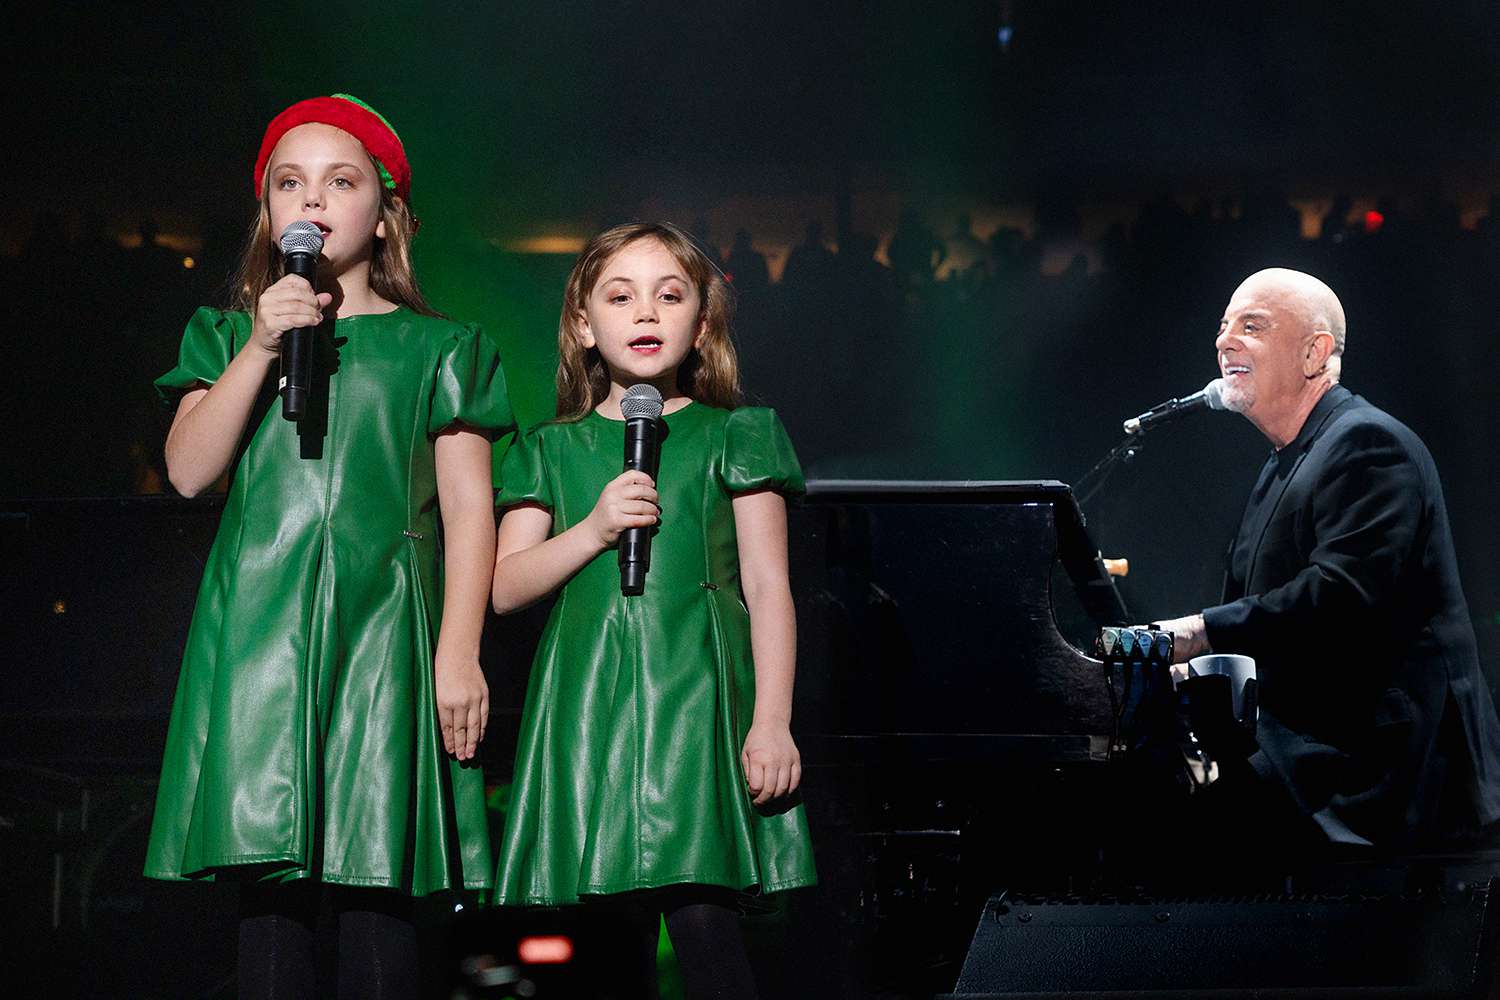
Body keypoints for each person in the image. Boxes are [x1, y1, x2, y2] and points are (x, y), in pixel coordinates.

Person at [143, 94, 513, 998]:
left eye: (339, 182)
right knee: (269, 900)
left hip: (384, 631)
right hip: (260, 635)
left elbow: (471, 513)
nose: (312, 201)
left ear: (384, 216)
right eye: (289, 183)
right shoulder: (227, 335)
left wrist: (459, 650)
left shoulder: (443, 348)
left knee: (374, 890)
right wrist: (265, 343)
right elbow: (190, 473)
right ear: (268, 214)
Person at [490, 221, 815, 999]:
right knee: (604, 948)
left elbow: (768, 585)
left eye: (669, 296)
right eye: (621, 296)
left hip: (695, 700)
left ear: (701, 323)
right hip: (587, 706)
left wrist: (771, 720)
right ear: (582, 322)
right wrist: (596, 529)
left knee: (707, 928)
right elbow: (505, 586)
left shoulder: (737, 434)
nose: (645, 314)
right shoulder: (549, 448)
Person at [1151, 267, 1500, 853]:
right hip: (1329, 751)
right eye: (1223, 326)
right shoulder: (1287, 458)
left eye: (1252, 326)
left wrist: (1196, 635)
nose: (1225, 340)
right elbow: (1264, 613)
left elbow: (1338, 598)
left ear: (1315, 353)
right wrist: (1190, 673)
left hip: (1388, 779)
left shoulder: (1368, 445)